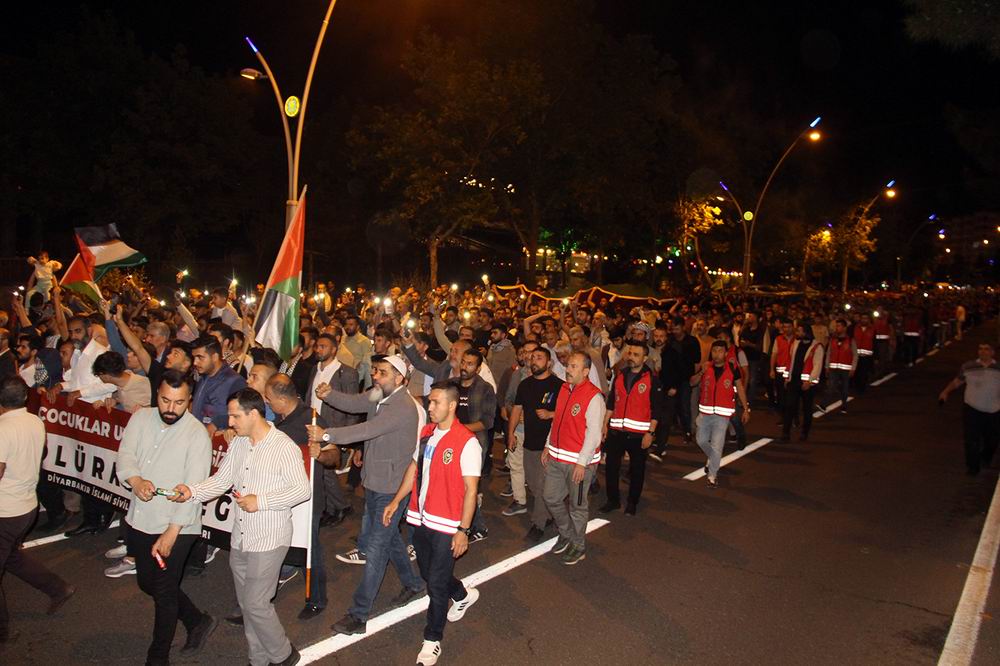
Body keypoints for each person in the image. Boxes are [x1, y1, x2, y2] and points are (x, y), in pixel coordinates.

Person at [171, 388, 310, 666]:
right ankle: (257, 659)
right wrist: (192, 492)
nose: (230, 422)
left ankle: (284, 655)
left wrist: (261, 501)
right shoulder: (239, 444)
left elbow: (301, 490)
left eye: (235, 416)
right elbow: (221, 481)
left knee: (256, 603)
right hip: (241, 538)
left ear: (254, 414)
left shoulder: (283, 447)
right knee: (248, 605)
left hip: (269, 538)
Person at [305, 355, 426, 636]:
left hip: (392, 489)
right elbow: (356, 403)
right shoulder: (379, 394)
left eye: (382, 372)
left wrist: (327, 435)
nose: (375, 376)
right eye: (375, 371)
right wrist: (330, 395)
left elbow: (368, 429)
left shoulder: (403, 406)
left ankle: (358, 615)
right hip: (375, 482)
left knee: (376, 550)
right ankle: (414, 584)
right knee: (390, 539)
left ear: (399, 378)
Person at [116, 370, 214, 665]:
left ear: (190, 400)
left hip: (178, 524)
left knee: (163, 590)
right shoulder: (140, 418)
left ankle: (157, 656)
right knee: (147, 582)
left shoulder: (197, 434)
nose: (171, 408)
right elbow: (126, 455)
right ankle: (196, 620)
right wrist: (135, 481)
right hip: (141, 518)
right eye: (165, 400)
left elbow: (193, 489)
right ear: (156, 395)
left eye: (179, 402)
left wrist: (172, 532)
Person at [383, 382, 482, 666]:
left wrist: (463, 530)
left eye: (436, 402)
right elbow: (414, 468)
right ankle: (462, 594)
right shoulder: (426, 433)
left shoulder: (467, 442)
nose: (430, 407)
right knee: (429, 573)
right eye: (429, 402)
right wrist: (396, 501)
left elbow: (471, 490)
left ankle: (432, 639)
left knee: (436, 585)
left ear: (452, 405)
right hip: (421, 517)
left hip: (448, 524)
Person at [0, 376, 76, 643]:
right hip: (26, 507)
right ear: (24, 397)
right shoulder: (35, 421)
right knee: (11, 557)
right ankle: (58, 588)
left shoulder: (3, 429)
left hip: (5, 510)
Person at [266, 373, 332, 620]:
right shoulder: (277, 419)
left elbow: (334, 455)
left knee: (309, 549)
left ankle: (316, 599)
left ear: (283, 400)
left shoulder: (311, 420)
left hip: (307, 500)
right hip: (279, 495)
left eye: (270, 398)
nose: (267, 402)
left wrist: (320, 454)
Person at [542, 352, 605, 565]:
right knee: (550, 497)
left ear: (585, 371)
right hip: (557, 457)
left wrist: (582, 463)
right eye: (568, 365)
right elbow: (557, 421)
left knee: (577, 507)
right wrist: (548, 445)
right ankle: (566, 533)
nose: (568, 370)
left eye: (574, 366)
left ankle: (578, 545)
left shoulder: (594, 397)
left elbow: (594, 434)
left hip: (578, 463)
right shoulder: (564, 389)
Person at [506, 345, 562, 540]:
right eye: (532, 358)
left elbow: (568, 412)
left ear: (549, 363)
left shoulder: (559, 385)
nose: (534, 361)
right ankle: (549, 515)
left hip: (550, 445)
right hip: (529, 442)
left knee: (542, 486)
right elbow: (516, 409)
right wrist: (510, 433)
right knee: (533, 485)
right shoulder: (525, 385)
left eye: (539, 357)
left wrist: (550, 414)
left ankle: (538, 524)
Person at [601, 340, 662, 515]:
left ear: (645, 358)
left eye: (636, 355)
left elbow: (657, 410)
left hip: (638, 434)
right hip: (616, 431)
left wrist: (650, 433)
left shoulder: (652, 379)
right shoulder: (620, 375)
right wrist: (605, 424)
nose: (631, 357)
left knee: (637, 470)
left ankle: (632, 502)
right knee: (611, 467)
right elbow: (612, 402)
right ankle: (612, 500)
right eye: (630, 353)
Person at [308, 332, 360, 526]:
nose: (318, 349)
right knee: (321, 470)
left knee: (327, 470)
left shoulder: (346, 373)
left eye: (323, 346)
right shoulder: (315, 369)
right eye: (317, 346)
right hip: (314, 426)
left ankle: (340, 506)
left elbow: (353, 406)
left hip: (333, 428)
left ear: (334, 349)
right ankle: (332, 507)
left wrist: (348, 436)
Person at [939, 343, 1000, 475]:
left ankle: (985, 457)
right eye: (980, 349)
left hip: (993, 410)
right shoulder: (968, 366)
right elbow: (957, 381)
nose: (983, 351)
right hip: (972, 408)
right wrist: (946, 392)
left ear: (992, 352)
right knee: (971, 439)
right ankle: (973, 467)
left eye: (986, 349)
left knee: (992, 439)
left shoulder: (998, 368)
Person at [696, 341, 751, 487]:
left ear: (726, 353)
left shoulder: (732, 368)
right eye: (714, 351)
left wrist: (746, 408)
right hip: (705, 413)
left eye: (720, 351)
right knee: (701, 440)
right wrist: (700, 372)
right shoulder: (706, 367)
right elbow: (692, 382)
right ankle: (712, 458)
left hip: (722, 415)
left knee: (717, 445)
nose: (717, 354)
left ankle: (712, 476)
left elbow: (740, 388)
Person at [190, 334, 246, 436]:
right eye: (194, 358)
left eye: (200, 357)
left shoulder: (235, 381)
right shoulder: (202, 378)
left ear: (215, 357)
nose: (195, 362)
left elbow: (242, 414)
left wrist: (216, 424)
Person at [781, 324, 824, 442]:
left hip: (807, 384)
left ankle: (805, 432)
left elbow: (817, 366)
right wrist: (787, 378)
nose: (797, 333)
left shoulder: (817, 347)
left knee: (807, 409)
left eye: (799, 331)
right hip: (794, 381)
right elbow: (791, 361)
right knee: (789, 406)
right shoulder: (795, 343)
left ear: (806, 332)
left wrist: (809, 381)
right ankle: (785, 433)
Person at [825, 319, 857, 414]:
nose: (837, 328)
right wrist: (827, 366)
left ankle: (844, 405)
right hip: (833, 368)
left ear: (844, 328)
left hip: (845, 369)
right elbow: (829, 353)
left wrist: (853, 368)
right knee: (831, 387)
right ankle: (824, 404)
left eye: (839, 326)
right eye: (836, 326)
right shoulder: (833, 339)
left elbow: (855, 355)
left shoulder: (850, 340)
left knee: (844, 388)